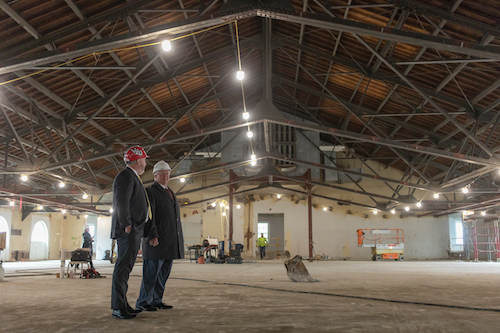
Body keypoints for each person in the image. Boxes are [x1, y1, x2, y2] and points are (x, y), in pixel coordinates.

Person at [136, 161, 184, 311]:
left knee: (163, 274)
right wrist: (151, 234)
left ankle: (156, 300)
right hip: (156, 241)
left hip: (169, 242)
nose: (165, 176)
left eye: (167, 173)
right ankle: (143, 302)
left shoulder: (170, 192)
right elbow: (148, 215)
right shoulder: (150, 191)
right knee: (151, 274)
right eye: (162, 174)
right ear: (155, 176)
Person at [110, 146, 151, 320]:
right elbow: (121, 201)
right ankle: (118, 307)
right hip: (128, 230)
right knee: (122, 268)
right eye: (144, 160)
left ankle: (123, 304)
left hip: (134, 230)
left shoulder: (133, 177)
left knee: (125, 269)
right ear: (138, 161)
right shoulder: (126, 176)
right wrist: (126, 224)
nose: (146, 163)